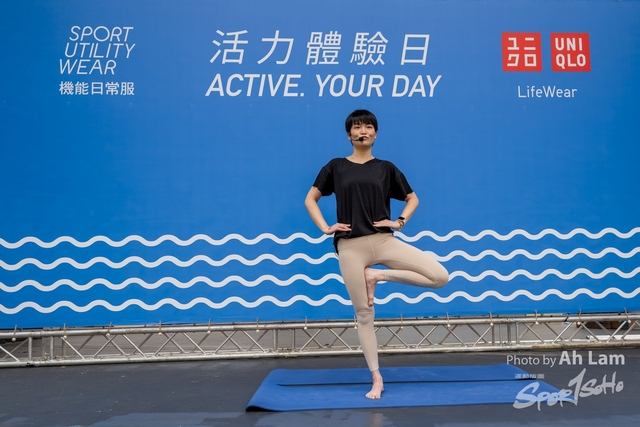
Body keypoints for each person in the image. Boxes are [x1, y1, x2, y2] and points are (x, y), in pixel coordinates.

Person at [304, 109, 449, 399]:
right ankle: (377, 378)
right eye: (357, 127)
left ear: (376, 133)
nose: (363, 131)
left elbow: (412, 198)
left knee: (439, 277)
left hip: (383, 240)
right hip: (350, 246)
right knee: (364, 314)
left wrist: (399, 222)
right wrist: (325, 228)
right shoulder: (335, 167)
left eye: (368, 127)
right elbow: (310, 199)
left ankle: (378, 275)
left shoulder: (386, 168)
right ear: (349, 135)